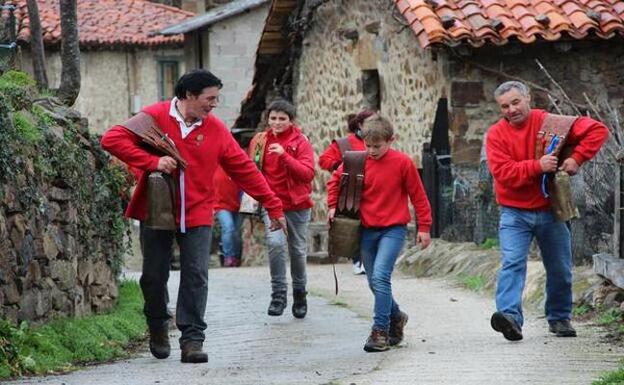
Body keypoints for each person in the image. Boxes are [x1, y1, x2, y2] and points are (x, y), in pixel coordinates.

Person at [100, 69, 284, 364]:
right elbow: (111, 139)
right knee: (153, 276)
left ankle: (192, 339)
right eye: (210, 98)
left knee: (196, 275)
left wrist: (273, 205)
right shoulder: (155, 116)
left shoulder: (216, 130)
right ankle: (158, 324)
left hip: (198, 212)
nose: (214, 104)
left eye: (216, 98)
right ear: (188, 95)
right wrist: (152, 161)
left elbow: (245, 169)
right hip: (157, 209)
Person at [486, 81, 608, 341]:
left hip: (551, 208)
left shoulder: (551, 123)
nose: (511, 109)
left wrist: (577, 159)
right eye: (505, 106)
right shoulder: (496, 135)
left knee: (560, 268)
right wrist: (537, 166)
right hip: (513, 212)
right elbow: (503, 174)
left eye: (516, 102)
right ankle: (509, 318)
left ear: (528, 97)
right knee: (512, 263)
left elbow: (598, 130)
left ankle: (560, 318)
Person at [327, 114, 432, 352]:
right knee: (374, 283)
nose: (372, 151)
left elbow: (418, 196)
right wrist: (333, 205)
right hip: (365, 230)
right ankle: (397, 316)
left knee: (381, 277)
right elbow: (334, 181)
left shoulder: (403, 163)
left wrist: (424, 227)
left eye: (378, 146)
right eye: (368, 145)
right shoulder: (356, 161)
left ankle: (380, 331)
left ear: (391, 140)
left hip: (393, 229)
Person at [251, 99, 315, 319]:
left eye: (282, 119)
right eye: (273, 118)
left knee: (297, 251)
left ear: (291, 121)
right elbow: (252, 171)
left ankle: (300, 294)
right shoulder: (260, 141)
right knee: (276, 246)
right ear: (267, 119)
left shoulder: (301, 142)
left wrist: (285, 157)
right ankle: (278, 295)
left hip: (297, 206)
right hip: (272, 205)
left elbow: (307, 174)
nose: (277, 123)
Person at [319, 109, 375, 275]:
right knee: (355, 225)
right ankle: (358, 260)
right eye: (370, 123)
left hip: (371, 189)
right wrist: (343, 167)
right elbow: (324, 160)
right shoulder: (344, 143)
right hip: (350, 191)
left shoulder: (378, 141)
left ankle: (370, 258)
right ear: (360, 124)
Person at [213, 165, 243, 267]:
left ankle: (237, 257)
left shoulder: (237, 166)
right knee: (228, 227)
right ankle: (228, 257)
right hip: (220, 205)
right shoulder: (215, 165)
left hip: (238, 205)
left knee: (237, 232)